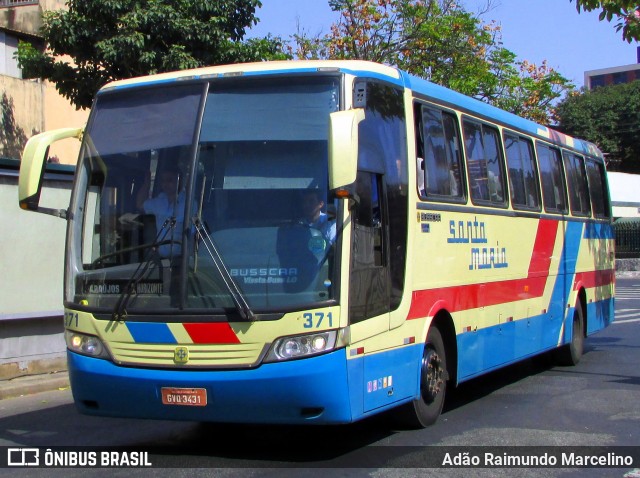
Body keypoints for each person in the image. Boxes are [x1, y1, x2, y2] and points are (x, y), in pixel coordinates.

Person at [136, 167, 185, 258]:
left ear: (180, 181)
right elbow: (140, 204)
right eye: (163, 180)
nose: (165, 184)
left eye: (170, 180)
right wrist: (147, 184)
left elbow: (193, 234)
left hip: (181, 262)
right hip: (161, 259)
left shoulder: (189, 203)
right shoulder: (159, 201)